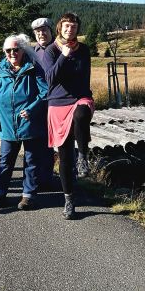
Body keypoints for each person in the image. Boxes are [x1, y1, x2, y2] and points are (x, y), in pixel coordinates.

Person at [43, 12, 94, 220]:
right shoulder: (51, 51)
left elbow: (83, 78)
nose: (70, 30)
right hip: (57, 104)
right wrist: (64, 56)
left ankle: (83, 157)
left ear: (77, 29)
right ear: (59, 28)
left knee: (81, 115)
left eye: (73, 27)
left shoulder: (84, 51)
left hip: (80, 99)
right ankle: (69, 200)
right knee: (64, 157)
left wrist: (70, 56)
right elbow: (50, 79)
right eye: (66, 26)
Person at [0, 34, 48, 210]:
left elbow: (44, 93)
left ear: (23, 50)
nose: (12, 53)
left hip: (29, 122)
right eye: (8, 50)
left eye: (16, 49)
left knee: (31, 160)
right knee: (5, 160)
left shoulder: (34, 67)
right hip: (6, 122)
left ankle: (28, 196)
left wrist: (32, 109)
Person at [30, 17, 57, 190]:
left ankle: (51, 178)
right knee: (39, 141)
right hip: (39, 102)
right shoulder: (33, 52)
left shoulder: (58, 49)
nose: (41, 34)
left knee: (55, 142)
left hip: (56, 102)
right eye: (38, 31)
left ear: (51, 31)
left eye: (44, 30)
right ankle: (39, 177)